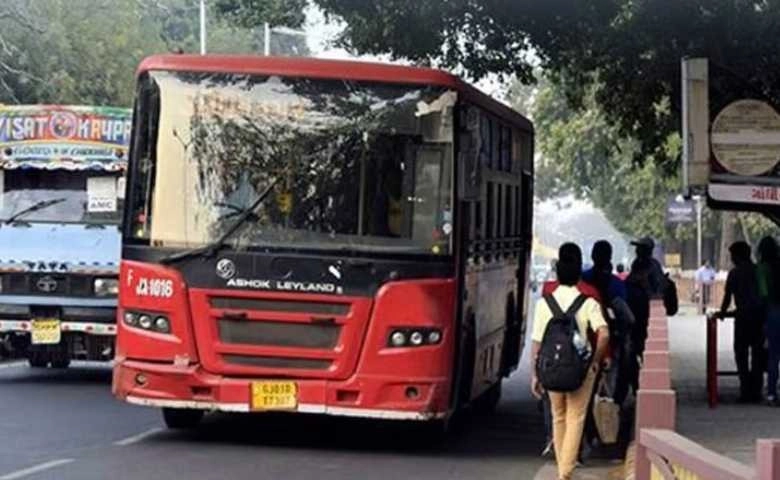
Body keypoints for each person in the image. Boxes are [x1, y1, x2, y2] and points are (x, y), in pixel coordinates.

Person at [531, 243, 610, 480]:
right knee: (576, 417)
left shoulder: (544, 304)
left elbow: (536, 342)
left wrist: (535, 374)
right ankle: (565, 471)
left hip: (552, 367)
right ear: (578, 274)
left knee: (558, 415)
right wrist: (594, 361)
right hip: (580, 369)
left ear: (557, 272)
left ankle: (562, 467)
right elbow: (604, 333)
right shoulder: (588, 302)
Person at [719, 241, 765, 403]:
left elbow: (727, 297)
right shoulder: (758, 271)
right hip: (759, 318)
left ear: (738, 256)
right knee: (758, 354)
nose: (732, 259)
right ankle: (757, 391)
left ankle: (745, 390)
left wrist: (722, 313)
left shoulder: (734, 274)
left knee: (741, 354)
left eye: (732, 256)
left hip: (743, 318)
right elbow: (764, 294)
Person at [756, 236, 780, 406]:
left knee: (773, 355)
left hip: (773, 312)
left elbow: (763, 294)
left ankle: (771, 392)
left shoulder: (762, 268)